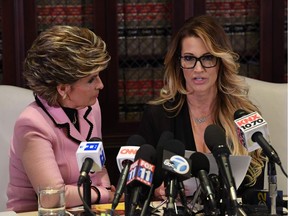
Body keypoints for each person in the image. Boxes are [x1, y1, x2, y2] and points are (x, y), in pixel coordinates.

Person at [138, 15, 266, 196]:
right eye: (189, 58)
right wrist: (157, 192)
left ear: (221, 62)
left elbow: (255, 187)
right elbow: (138, 188)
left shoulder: (245, 116)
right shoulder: (157, 116)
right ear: (179, 64)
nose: (198, 69)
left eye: (207, 58)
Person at [6, 25, 115, 212]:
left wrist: (103, 190)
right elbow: (53, 197)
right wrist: (102, 194)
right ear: (63, 89)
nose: (101, 85)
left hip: (85, 209)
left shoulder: (91, 107)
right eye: (91, 79)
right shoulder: (32, 124)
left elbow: (97, 168)